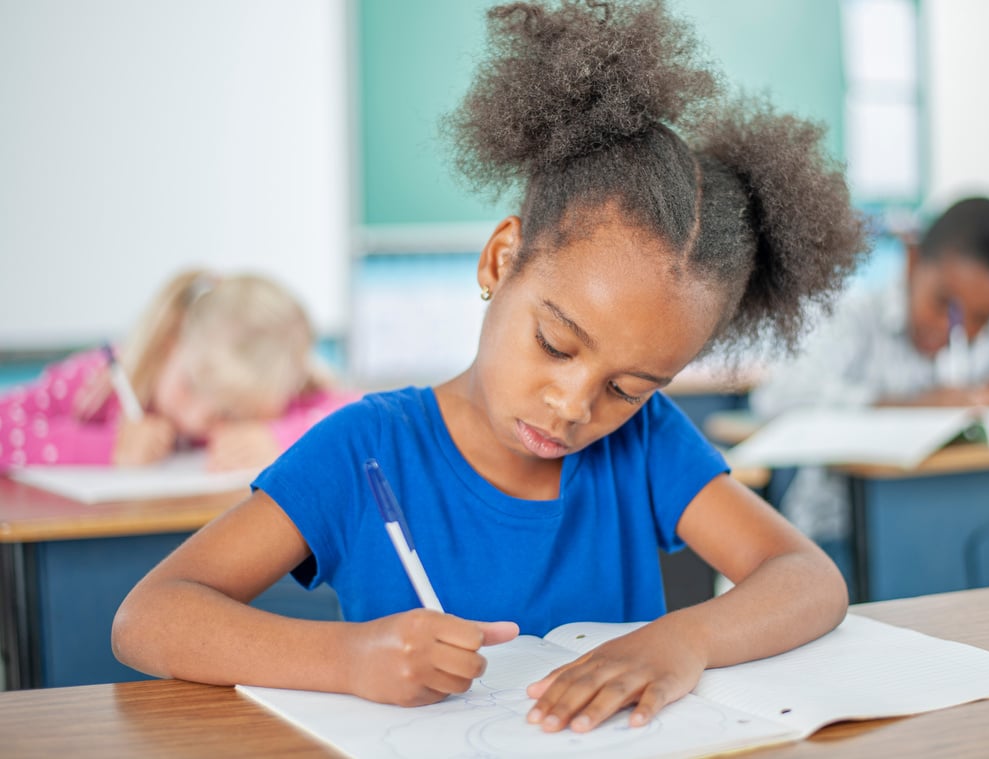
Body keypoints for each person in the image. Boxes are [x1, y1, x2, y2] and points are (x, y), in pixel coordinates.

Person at [112, 0, 867, 735]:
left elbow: (807, 577)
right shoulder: (365, 448)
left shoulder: (647, 445)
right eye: (557, 345)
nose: (574, 405)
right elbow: (149, 617)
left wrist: (683, 640)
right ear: (501, 259)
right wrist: (346, 657)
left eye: (628, 389)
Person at [749, 196, 989, 582]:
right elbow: (776, 395)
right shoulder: (857, 317)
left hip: (950, 531)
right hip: (837, 537)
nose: (958, 331)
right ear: (914, 263)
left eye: (980, 318)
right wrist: (905, 404)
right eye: (945, 304)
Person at [0, 269, 357, 472]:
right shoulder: (101, 383)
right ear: (170, 342)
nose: (198, 417)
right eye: (192, 385)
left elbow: (359, 418)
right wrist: (107, 448)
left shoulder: (274, 393)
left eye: (230, 413)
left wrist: (278, 440)